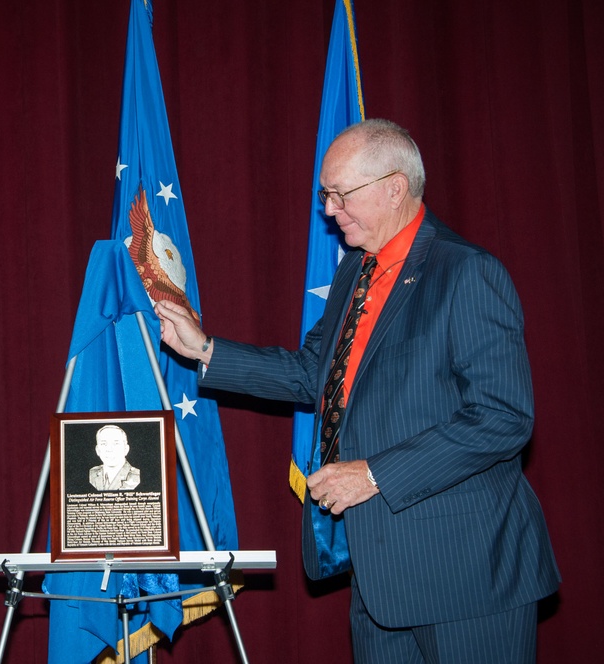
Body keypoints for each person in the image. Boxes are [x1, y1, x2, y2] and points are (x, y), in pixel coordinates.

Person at [155, 119, 559, 663]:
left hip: (466, 576)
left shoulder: (466, 274)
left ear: (395, 187)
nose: (328, 209)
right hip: (378, 579)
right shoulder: (354, 273)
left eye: (341, 193)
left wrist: (373, 474)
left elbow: (503, 417)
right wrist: (205, 350)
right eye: (326, 194)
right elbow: (311, 374)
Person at [88, 424, 140, 491]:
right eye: (104, 444)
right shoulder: (92, 474)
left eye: (116, 444)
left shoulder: (137, 476)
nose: (110, 449)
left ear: (126, 449)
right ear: (97, 450)